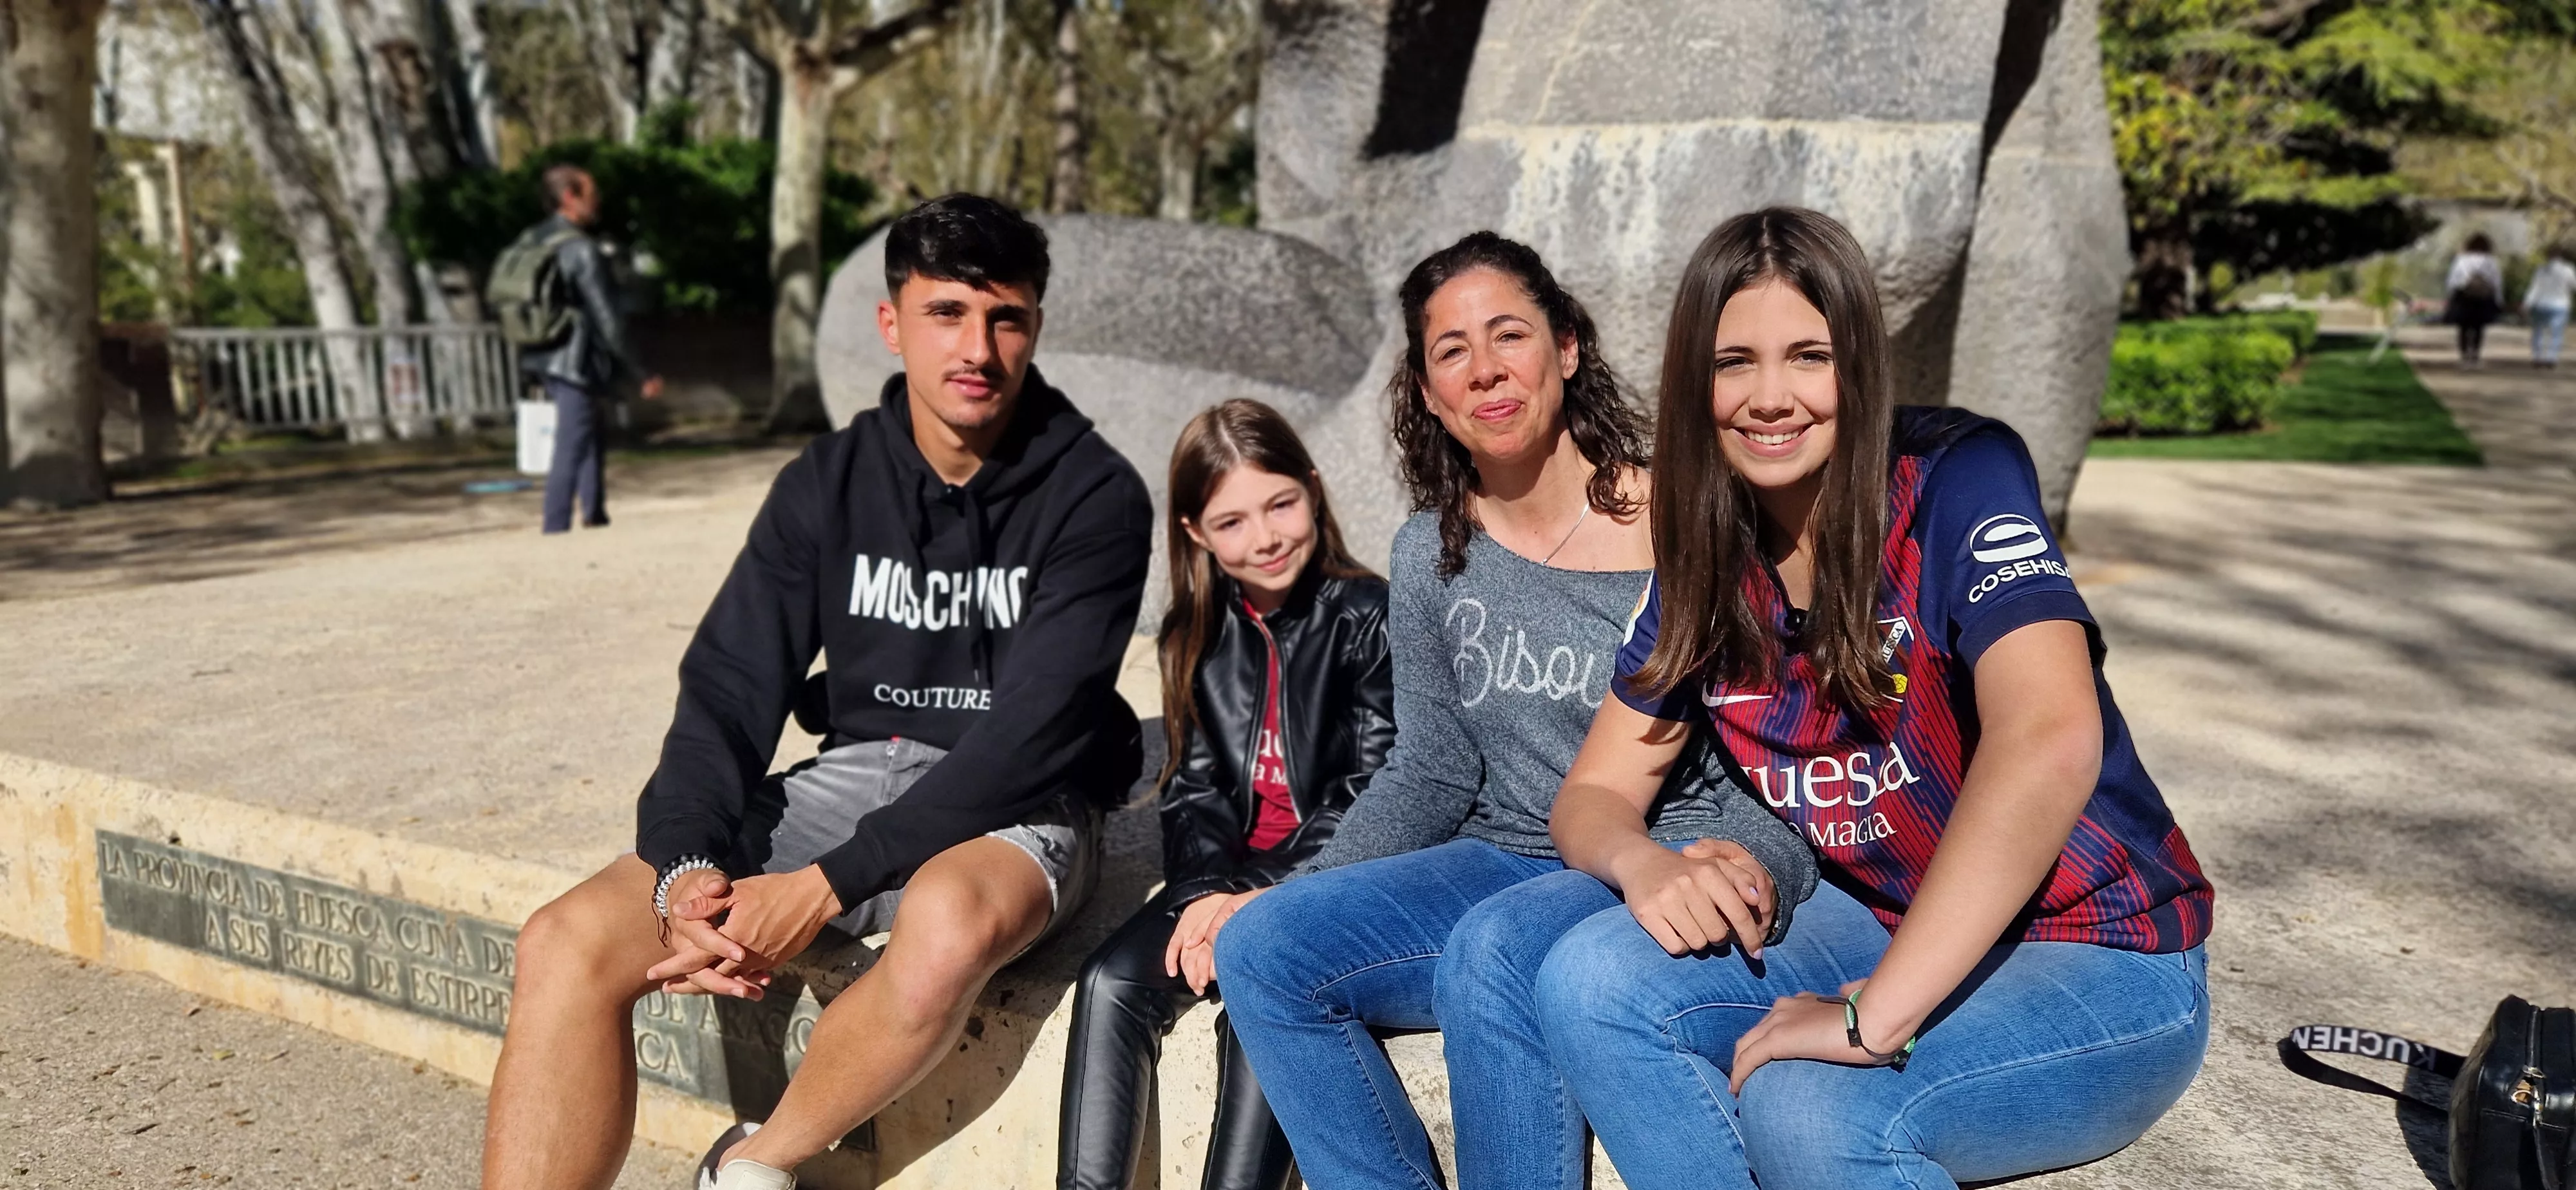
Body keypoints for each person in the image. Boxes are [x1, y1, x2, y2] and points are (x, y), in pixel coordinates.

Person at [1521, 207, 2214, 1190]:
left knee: (1811, 1106)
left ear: (1860, 365)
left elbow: (2052, 736)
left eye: (1809, 355)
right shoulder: (1709, 562)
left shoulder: (1957, 478)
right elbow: (1591, 797)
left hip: (2105, 947)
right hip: (1889, 914)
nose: (1770, 397)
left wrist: (1869, 1018)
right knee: (1588, 982)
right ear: (1693, 381)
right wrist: (1643, 864)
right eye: (1733, 363)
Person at [478, 194, 1154, 1190]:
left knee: (948, 921)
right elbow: (728, 686)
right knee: (564, 941)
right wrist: (687, 875)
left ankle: (750, 1168)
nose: (979, 347)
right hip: (856, 773)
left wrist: (828, 884)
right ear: (892, 324)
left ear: (1035, 329)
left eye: (1005, 317)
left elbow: (1035, 735)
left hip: (1015, 801)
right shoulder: (827, 483)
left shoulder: (1095, 494)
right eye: (947, 314)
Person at [1198, 232, 1819, 1190]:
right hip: (1495, 860)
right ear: (1427, 389)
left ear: (1566, 347)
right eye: (1452, 351)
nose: (1486, 370)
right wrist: (1290, 891)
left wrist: (1758, 861)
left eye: (1509, 336)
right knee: (1267, 950)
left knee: (1495, 955)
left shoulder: (1690, 521)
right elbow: (1430, 771)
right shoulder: (1428, 554)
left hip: (1643, 862)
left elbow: (1780, 748)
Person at [1057, 399, 1394, 1190]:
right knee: (1109, 982)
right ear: (1196, 534)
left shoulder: (1367, 618)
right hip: (1230, 876)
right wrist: (1206, 889)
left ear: (1313, 491)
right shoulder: (1196, 631)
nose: (1267, 536)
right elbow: (1194, 788)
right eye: (1233, 521)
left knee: (1258, 1003)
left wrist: (1255, 894)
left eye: (1281, 504)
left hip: (1326, 881)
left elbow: (1376, 788)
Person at [504, 164, 665, 533]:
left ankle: (595, 513)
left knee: (589, 430)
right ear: (569, 197)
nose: (598, 201)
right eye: (591, 194)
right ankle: (555, 524)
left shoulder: (534, 239)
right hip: (574, 358)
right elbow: (608, 318)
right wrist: (640, 372)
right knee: (572, 441)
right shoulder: (581, 250)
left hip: (543, 352)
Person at [2447, 232, 2507, 368]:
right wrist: (2499, 299)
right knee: (2479, 328)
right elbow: (2497, 282)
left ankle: (2464, 356)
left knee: (2463, 328)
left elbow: (2453, 280)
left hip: (2464, 297)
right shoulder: (2491, 261)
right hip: (2483, 298)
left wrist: (2451, 297)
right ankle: (2475, 355)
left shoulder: (2461, 259)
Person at [2523, 244, 2573, 369]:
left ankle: (2537, 357)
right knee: (2556, 333)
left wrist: (2527, 303)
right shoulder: (2568, 270)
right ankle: (2552, 357)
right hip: (2560, 304)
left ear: (2547, 256)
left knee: (2538, 332)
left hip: (2541, 304)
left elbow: (2534, 288)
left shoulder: (2541, 269)